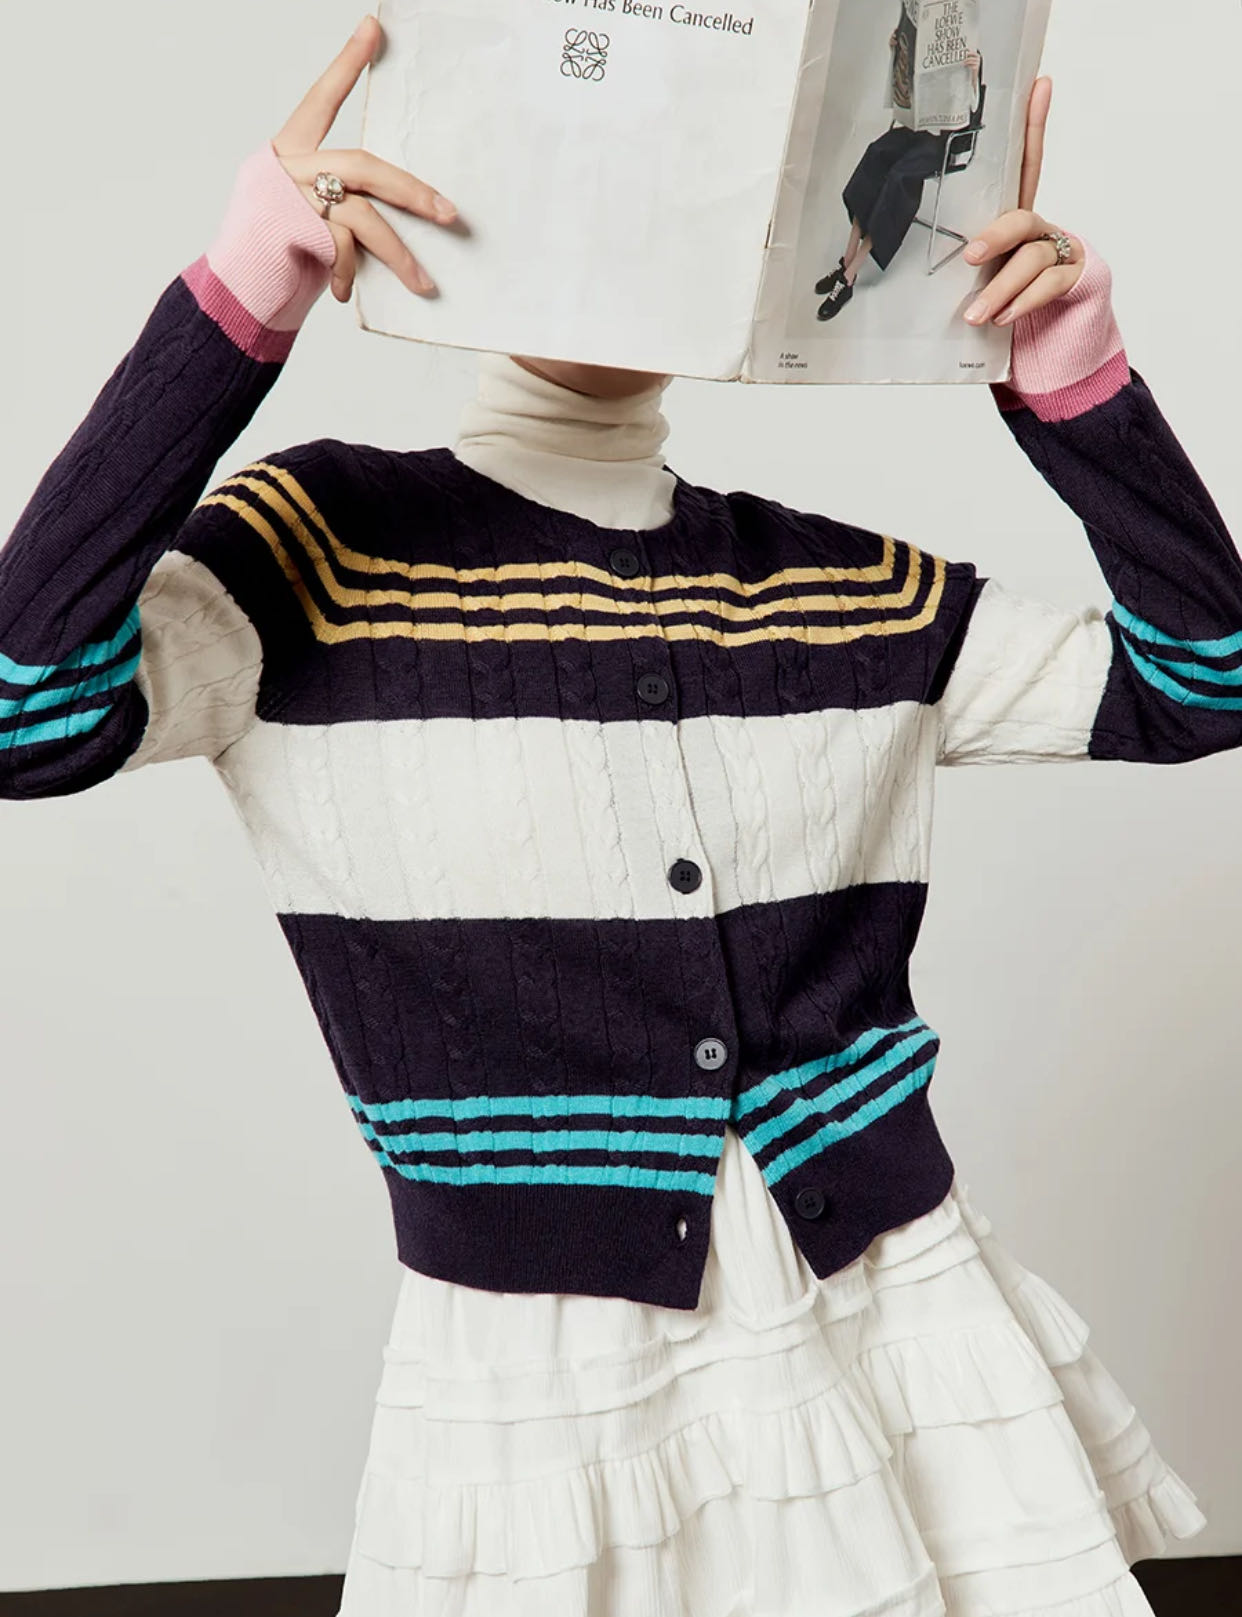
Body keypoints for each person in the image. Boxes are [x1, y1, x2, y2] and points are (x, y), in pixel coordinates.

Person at [2, 13, 1232, 1615]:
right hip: (540, 1392)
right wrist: (238, 302)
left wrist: (1073, 376)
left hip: (897, 1316)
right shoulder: (317, 548)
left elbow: (1201, 682)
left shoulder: (839, 586)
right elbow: (25, 713)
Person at [817, 0, 983, 320]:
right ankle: (845, 259)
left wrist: (974, 73)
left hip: (942, 141)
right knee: (875, 155)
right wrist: (896, 51)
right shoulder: (921, 34)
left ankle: (849, 276)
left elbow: (973, 109)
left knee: (898, 177)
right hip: (912, 129)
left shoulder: (967, 43)